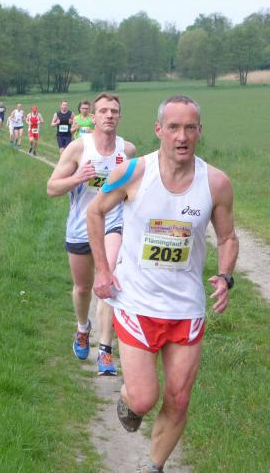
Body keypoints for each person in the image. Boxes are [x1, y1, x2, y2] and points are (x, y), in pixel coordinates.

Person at [86, 95, 238, 473]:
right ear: (158, 130)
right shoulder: (133, 172)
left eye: (189, 128)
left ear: (200, 131)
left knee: (179, 398)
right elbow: (95, 211)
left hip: (186, 307)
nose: (181, 136)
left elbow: (228, 238)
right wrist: (103, 270)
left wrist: (225, 276)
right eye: (173, 127)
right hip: (137, 302)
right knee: (143, 399)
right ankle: (130, 400)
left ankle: (153, 466)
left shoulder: (216, 183)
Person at [47, 93, 137, 375]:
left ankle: (105, 351)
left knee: (108, 281)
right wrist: (78, 178)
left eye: (114, 111)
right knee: (83, 288)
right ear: (93, 116)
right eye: (103, 111)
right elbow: (51, 188)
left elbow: (135, 189)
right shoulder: (78, 148)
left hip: (113, 223)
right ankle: (83, 328)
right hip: (81, 226)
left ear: (119, 116)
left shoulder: (128, 150)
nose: (109, 115)